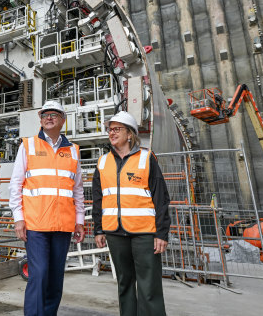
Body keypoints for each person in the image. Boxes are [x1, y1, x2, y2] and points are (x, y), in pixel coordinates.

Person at [9, 100, 85, 316]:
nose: (48, 117)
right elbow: (16, 184)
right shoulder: (28, 145)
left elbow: (77, 190)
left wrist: (79, 220)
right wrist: (18, 218)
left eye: (54, 114)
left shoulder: (73, 151)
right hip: (35, 224)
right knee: (39, 274)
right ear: (40, 120)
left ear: (63, 120)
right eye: (45, 114)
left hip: (63, 225)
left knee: (55, 277)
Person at [92, 111, 170, 316]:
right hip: (114, 232)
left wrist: (162, 233)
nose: (112, 133)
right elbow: (98, 200)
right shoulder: (102, 163)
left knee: (149, 285)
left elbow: (161, 198)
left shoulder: (146, 158)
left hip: (144, 233)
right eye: (110, 129)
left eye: (117, 129)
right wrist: (98, 229)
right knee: (124, 282)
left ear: (130, 134)